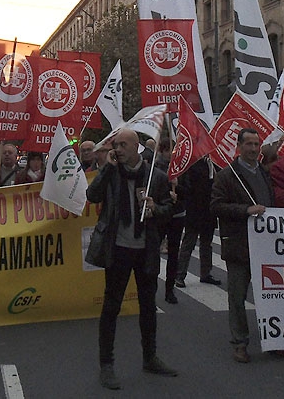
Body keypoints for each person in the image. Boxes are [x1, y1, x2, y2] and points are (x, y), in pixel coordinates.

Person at [86, 128, 177, 390]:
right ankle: (107, 364)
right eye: (116, 145)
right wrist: (106, 168)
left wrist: (155, 208)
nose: (118, 149)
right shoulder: (112, 173)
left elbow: (169, 209)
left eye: (123, 144)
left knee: (148, 306)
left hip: (145, 249)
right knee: (111, 306)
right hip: (118, 248)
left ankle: (150, 357)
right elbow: (92, 196)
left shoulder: (155, 177)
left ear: (137, 147)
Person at [211, 128, 274, 363]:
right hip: (239, 245)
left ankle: (274, 338)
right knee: (237, 296)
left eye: (257, 144)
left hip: (265, 245)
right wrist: (245, 210)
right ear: (239, 146)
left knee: (271, 294)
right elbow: (216, 206)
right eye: (249, 144)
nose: (254, 149)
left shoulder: (265, 174)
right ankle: (239, 342)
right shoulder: (227, 176)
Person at [175, 156, 220, 289]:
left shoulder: (214, 163)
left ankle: (206, 273)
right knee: (189, 243)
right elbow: (185, 187)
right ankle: (179, 275)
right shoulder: (192, 164)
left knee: (207, 244)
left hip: (209, 209)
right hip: (195, 209)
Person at [153, 138, 185, 304]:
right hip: (161, 215)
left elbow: (189, 190)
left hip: (177, 215)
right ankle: (152, 287)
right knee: (153, 252)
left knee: (174, 253)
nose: (172, 155)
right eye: (169, 151)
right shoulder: (155, 167)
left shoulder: (181, 168)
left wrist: (178, 188)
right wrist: (167, 190)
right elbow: (152, 189)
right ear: (162, 151)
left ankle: (170, 290)